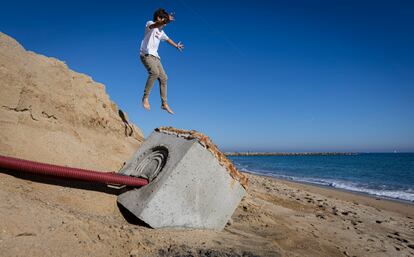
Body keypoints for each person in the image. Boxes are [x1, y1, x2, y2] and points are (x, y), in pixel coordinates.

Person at [139, 8, 184, 115]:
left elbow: (167, 39)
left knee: (164, 77)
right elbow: (155, 25)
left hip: (156, 57)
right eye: (164, 21)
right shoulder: (150, 24)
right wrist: (165, 20)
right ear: (159, 18)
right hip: (146, 55)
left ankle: (164, 104)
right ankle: (145, 98)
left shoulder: (161, 32)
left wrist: (176, 46)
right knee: (154, 73)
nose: (165, 24)